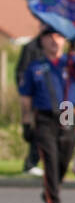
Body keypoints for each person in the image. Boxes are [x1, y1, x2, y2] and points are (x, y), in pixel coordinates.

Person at [18, 27, 75, 203]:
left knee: (65, 154)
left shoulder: (71, 61)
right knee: (50, 158)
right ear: (42, 40)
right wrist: (26, 123)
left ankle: (51, 189)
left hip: (66, 110)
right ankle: (54, 202)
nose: (54, 41)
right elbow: (25, 98)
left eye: (59, 36)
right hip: (44, 115)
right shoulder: (35, 67)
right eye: (50, 37)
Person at [15, 26, 46, 174]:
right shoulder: (31, 48)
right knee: (38, 132)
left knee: (67, 133)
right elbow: (22, 73)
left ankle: (59, 164)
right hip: (40, 100)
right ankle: (31, 164)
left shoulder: (66, 58)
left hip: (64, 103)